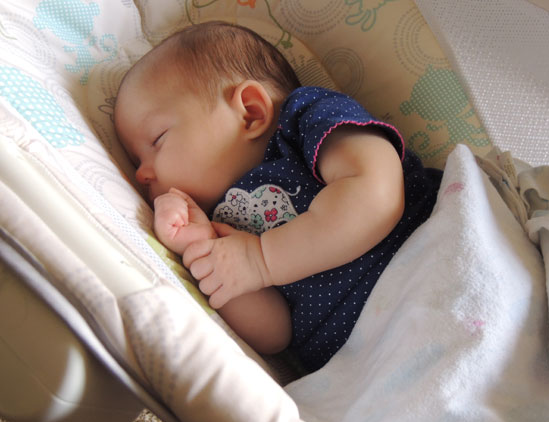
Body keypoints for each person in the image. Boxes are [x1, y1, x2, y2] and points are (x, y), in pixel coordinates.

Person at [114, 21, 442, 372]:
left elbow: (376, 198)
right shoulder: (225, 225)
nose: (141, 174)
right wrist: (207, 252)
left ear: (251, 112)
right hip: (374, 364)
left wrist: (262, 260)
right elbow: (275, 334)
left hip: (430, 268)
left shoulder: (304, 121)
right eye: (136, 161)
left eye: (157, 140)